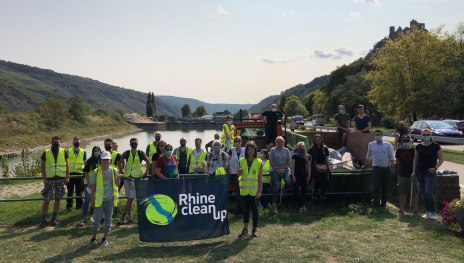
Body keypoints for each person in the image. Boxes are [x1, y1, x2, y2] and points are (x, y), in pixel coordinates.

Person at [89, 151, 122, 247]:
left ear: (110, 160)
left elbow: (117, 184)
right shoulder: (96, 171)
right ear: (101, 161)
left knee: (108, 220)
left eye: (107, 159)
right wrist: (92, 200)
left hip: (110, 199)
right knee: (97, 220)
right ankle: (93, 238)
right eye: (104, 160)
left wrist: (119, 177)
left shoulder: (114, 170)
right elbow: (92, 187)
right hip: (99, 200)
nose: (106, 161)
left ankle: (104, 238)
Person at [413, 128, 444, 220]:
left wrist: (435, 168)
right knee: (423, 192)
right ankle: (428, 211)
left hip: (430, 172)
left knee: (428, 192)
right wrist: (414, 171)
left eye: (427, 134)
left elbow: (441, 159)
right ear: (421, 135)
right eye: (424, 135)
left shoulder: (435, 146)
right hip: (420, 171)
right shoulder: (418, 147)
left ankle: (433, 211)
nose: (426, 136)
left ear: (430, 135)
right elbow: (415, 160)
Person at [40, 136, 70, 227]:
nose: (56, 144)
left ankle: (53, 219)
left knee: (58, 199)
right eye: (54, 143)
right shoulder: (46, 153)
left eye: (58, 143)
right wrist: (44, 179)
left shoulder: (64, 152)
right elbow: (42, 167)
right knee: (46, 200)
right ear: (51, 143)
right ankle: (43, 220)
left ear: (60, 144)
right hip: (50, 180)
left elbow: (67, 165)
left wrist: (67, 176)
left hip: (60, 180)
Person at [119, 138, 149, 224]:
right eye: (132, 143)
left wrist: (146, 172)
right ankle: (130, 216)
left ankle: (122, 216)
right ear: (130, 144)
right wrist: (121, 171)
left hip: (136, 178)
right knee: (129, 198)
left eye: (135, 142)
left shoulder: (140, 153)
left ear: (137, 143)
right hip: (127, 177)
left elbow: (148, 162)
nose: (134, 144)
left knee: (131, 197)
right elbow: (120, 161)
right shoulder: (127, 153)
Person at [237, 140, 263, 238]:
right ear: (246, 150)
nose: (250, 151)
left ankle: (254, 229)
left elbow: (260, 178)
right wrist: (239, 174)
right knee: (245, 210)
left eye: (252, 149)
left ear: (255, 150)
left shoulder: (259, 162)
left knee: (255, 210)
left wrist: (260, 190)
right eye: (248, 149)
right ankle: (245, 229)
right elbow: (239, 177)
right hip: (244, 190)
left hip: (254, 191)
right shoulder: (241, 161)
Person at [366, 130, 395, 207]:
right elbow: (368, 155)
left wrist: (392, 168)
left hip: (386, 168)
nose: (377, 136)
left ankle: (384, 204)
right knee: (376, 186)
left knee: (385, 187)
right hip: (376, 168)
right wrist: (365, 164)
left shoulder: (388, 145)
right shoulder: (371, 145)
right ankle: (376, 203)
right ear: (374, 136)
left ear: (382, 136)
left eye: (379, 135)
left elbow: (392, 157)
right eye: (376, 135)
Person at [395, 135, 418, 215]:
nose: (406, 142)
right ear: (402, 142)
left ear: (410, 141)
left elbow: (417, 161)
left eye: (407, 141)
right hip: (402, 174)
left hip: (413, 174)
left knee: (415, 193)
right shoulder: (399, 150)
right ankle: (401, 209)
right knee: (402, 193)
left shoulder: (414, 150)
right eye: (404, 141)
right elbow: (397, 162)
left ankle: (415, 210)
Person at [269, 136, 291, 214]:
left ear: (283, 143)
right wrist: (277, 170)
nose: (279, 143)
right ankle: (274, 204)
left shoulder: (286, 150)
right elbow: (271, 161)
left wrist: (286, 168)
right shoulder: (272, 150)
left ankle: (284, 188)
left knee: (288, 181)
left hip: (285, 169)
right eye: (277, 141)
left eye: (281, 141)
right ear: (275, 143)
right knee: (277, 185)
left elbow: (289, 160)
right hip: (274, 170)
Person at [80, 146, 101, 226]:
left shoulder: (102, 159)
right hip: (90, 184)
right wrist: (89, 182)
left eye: (98, 150)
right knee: (87, 200)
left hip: (99, 184)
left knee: (95, 201)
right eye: (95, 151)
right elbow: (85, 171)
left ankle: (91, 216)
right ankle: (84, 218)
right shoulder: (90, 160)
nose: (97, 152)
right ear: (93, 152)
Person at [66, 137, 87, 210]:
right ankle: (69, 205)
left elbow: (85, 162)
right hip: (70, 174)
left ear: (80, 142)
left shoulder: (83, 151)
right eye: (75, 141)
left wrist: (85, 172)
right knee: (70, 191)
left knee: (79, 191)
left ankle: (79, 206)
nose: (76, 142)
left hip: (79, 174)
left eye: (78, 141)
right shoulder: (69, 151)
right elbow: (66, 162)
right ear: (73, 142)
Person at [308, 134, 330, 200]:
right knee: (318, 180)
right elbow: (309, 160)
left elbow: (326, 159)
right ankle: (315, 193)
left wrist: (328, 168)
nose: (318, 141)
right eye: (316, 140)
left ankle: (322, 193)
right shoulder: (311, 150)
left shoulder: (325, 149)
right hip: (314, 168)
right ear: (314, 141)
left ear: (321, 140)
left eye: (319, 139)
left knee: (326, 180)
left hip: (324, 167)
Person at [292, 142, 311, 212]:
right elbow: (292, 166)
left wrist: (309, 176)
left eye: (301, 146)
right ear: (297, 147)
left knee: (304, 192)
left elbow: (309, 167)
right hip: (296, 175)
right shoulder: (294, 156)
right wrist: (293, 175)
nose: (300, 147)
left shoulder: (308, 156)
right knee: (295, 192)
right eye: (299, 146)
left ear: (304, 147)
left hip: (304, 175)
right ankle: (302, 206)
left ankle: (301, 207)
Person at [228, 136, 245, 214]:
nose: (237, 143)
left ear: (241, 142)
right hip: (234, 173)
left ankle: (242, 210)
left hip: (243, 173)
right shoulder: (231, 150)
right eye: (236, 141)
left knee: (242, 191)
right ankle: (239, 210)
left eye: (239, 141)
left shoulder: (245, 150)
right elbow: (227, 159)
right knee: (238, 191)